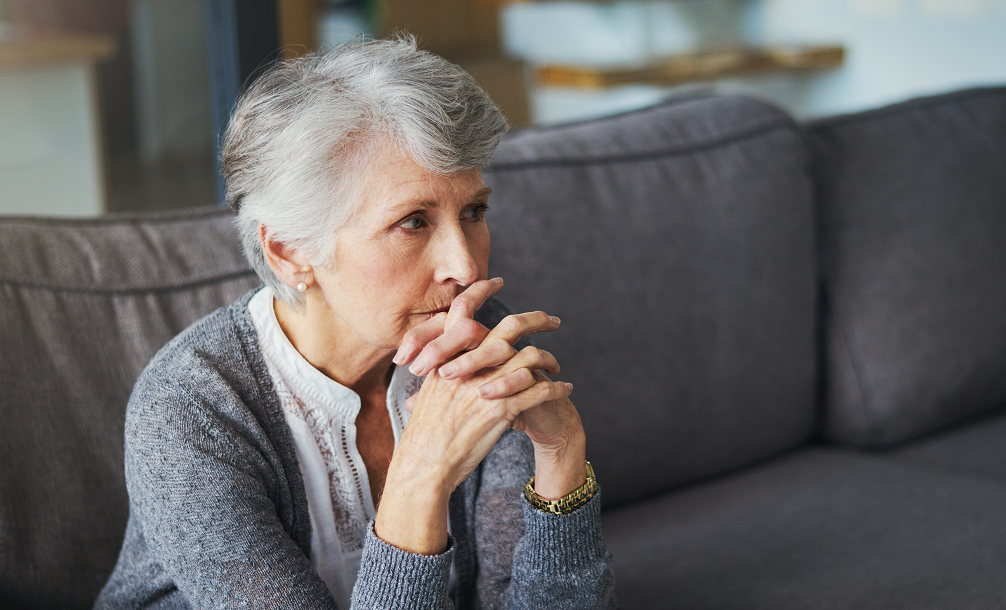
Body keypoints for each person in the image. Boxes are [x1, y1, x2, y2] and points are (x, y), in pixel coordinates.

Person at [95, 36, 616, 609]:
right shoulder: (188, 411)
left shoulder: (479, 343)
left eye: (474, 211)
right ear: (290, 252)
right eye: (413, 222)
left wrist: (561, 454)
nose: (465, 266)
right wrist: (420, 477)